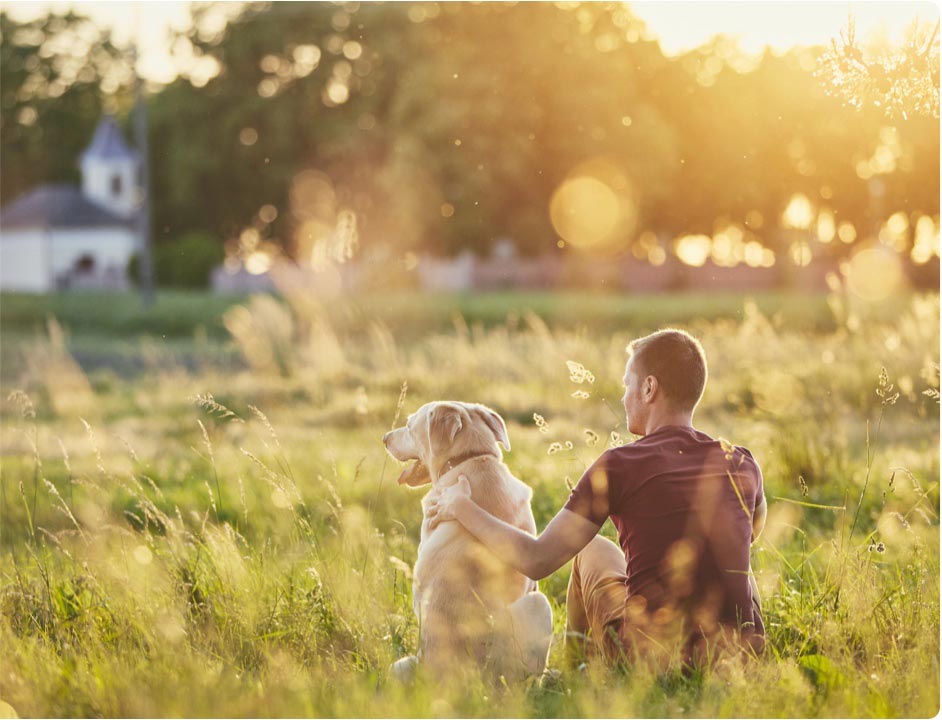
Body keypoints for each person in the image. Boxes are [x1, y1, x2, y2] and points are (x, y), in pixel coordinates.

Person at [426, 328, 767, 669]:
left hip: (651, 657)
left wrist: (462, 507)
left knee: (590, 550)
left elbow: (537, 560)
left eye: (627, 384)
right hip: (739, 655)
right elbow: (750, 534)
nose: (623, 397)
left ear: (649, 388)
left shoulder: (619, 464)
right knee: (740, 567)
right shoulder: (742, 461)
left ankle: (575, 673)